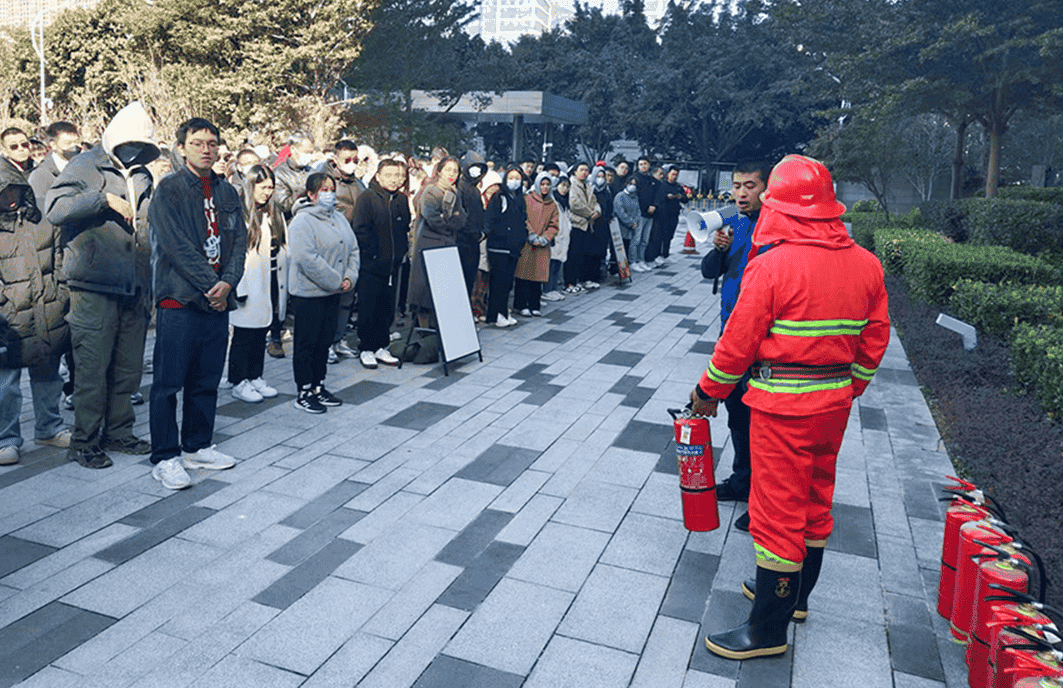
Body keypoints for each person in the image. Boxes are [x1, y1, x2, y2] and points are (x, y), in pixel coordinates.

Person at [689, 154, 889, 661]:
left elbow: (737, 344)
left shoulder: (772, 265)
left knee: (776, 513)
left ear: (778, 206)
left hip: (781, 408)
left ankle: (767, 630)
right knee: (816, 499)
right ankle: (795, 598)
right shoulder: (866, 263)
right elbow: (875, 338)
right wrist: (850, 387)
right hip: (834, 406)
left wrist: (707, 392)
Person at [46, 102, 159, 469]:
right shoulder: (85, 165)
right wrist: (102, 200)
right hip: (93, 286)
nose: (133, 150)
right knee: (92, 371)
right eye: (128, 143)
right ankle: (84, 441)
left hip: (134, 287)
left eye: (140, 145)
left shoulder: (143, 174)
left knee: (128, 370)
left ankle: (119, 432)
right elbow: (56, 208)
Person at [148, 117, 245, 490]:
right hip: (180, 298)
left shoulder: (227, 191)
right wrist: (212, 285)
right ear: (181, 148)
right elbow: (175, 246)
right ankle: (165, 456)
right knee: (168, 382)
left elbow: (239, 241)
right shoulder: (169, 189)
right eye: (198, 143)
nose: (207, 149)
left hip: (216, 301)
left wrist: (228, 282)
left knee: (206, 379)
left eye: (212, 143)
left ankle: (197, 445)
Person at [700, 162, 773, 531]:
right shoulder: (737, 224)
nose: (742, 193)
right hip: (731, 334)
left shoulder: (774, 229)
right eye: (737, 185)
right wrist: (719, 249)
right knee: (737, 414)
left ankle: (764, 502)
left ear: (767, 188)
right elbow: (708, 272)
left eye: (750, 185)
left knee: (762, 425)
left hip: (762, 343)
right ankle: (742, 481)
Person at [0, 156, 71, 465]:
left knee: (49, 376)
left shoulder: (43, 219)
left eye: (12, 189)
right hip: (8, 318)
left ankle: (49, 428)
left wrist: (60, 293)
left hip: (47, 310)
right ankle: (6, 438)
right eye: (2, 192)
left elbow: (61, 260)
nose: (9, 197)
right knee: (6, 384)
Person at [288, 172, 359, 412]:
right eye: (323, 190)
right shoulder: (302, 221)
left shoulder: (339, 218)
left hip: (334, 293)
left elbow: (353, 249)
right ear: (311, 194)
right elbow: (306, 258)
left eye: (332, 189)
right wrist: (335, 281)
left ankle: (319, 384)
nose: (329, 194)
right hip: (309, 294)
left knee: (323, 342)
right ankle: (304, 389)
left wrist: (349, 277)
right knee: (306, 343)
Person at [228, 165, 286, 403]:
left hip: (269, 278)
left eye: (271, 187)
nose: (267, 192)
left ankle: (255, 376)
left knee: (261, 330)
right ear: (251, 186)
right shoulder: (240, 212)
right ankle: (238, 380)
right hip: (247, 281)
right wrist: (237, 286)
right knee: (244, 333)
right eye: (262, 187)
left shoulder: (273, 212)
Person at [352, 159, 409, 369]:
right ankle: (366, 348)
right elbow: (360, 229)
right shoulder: (367, 198)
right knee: (369, 307)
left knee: (387, 308)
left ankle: (381, 346)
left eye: (399, 175)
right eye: (389, 175)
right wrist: (373, 256)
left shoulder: (401, 199)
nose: (394, 180)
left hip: (393, 265)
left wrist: (400, 253)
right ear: (378, 175)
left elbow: (404, 228)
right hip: (371, 265)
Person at [407, 156, 466, 326]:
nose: (452, 174)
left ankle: (438, 326)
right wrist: (450, 219)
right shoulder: (430, 191)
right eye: (448, 170)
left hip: (447, 244)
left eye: (455, 171)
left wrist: (450, 218)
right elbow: (433, 219)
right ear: (439, 171)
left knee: (442, 289)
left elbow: (462, 218)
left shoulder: (455, 193)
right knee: (424, 288)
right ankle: (423, 327)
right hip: (429, 243)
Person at [324, 139, 366, 362]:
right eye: (347, 159)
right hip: (331, 247)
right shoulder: (326, 182)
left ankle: (339, 339)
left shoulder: (358, 184)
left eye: (355, 160)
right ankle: (326, 343)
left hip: (352, 246)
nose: (352, 163)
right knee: (330, 298)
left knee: (347, 298)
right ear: (335, 159)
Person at [485, 165, 528, 327]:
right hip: (499, 247)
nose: (514, 181)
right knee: (499, 282)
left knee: (507, 282)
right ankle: (496, 314)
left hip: (513, 247)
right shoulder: (499, 197)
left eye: (517, 178)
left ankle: (503, 311)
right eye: (511, 177)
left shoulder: (519, 198)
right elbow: (491, 220)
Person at [513, 173, 559, 317]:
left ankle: (534, 304)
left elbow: (554, 225)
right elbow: (523, 218)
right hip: (527, 243)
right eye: (542, 184)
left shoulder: (552, 204)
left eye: (548, 184)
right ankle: (521, 305)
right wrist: (531, 234)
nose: (545, 187)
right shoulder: (527, 199)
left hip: (542, 246)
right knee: (523, 275)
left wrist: (545, 238)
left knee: (537, 277)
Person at [565, 162, 601, 293]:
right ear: (575, 171)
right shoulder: (572, 185)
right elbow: (574, 204)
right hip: (576, 223)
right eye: (581, 170)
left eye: (586, 170)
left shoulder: (588, 185)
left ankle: (580, 280)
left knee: (583, 254)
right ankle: (570, 282)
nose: (584, 172)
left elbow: (595, 202)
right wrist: (590, 213)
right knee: (573, 255)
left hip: (587, 225)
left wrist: (597, 211)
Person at [457, 152, 487, 295]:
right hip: (461, 241)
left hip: (473, 241)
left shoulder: (474, 190)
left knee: (469, 280)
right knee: (461, 282)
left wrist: (482, 232)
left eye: (479, 169)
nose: (476, 172)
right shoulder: (460, 188)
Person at [646, 166, 686, 266]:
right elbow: (656, 198)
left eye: (676, 175)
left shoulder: (678, 187)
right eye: (673, 174)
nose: (674, 176)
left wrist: (680, 196)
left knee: (669, 236)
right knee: (658, 236)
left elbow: (685, 199)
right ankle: (655, 256)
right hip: (661, 215)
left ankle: (665, 255)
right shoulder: (661, 185)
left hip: (673, 215)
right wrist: (666, 197)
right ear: (668, 174)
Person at [273, 131, 316, 217]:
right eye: (306, 152)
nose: (310, 156)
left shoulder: (312, 172)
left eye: (311, 153)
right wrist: (302, 192)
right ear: (293, 149)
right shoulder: (279, 173)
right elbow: (283, 205)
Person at [542, 175, 570, 301]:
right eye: (562, 185)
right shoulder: (552, 200)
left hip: (563, 237)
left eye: (567, 186)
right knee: (550, 265)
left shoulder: (565, 201)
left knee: (557, 265)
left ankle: (553, 289)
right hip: (554, 237)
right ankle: (547, 290)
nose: (564, 189)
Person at [630, 156, 658, 272]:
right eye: (641, 164)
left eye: (645, 164)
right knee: (636, 239)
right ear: (638, 166)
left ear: (649, 165)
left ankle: (641, 260)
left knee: (645, 240)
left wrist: (654, 205)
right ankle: (633, 261)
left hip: (650, 215)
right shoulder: (635, 179)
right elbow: (634, 197)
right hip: (638, 214)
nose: (643, 166)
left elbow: (656, 195)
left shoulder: (652, 180)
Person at [589, 165, 614, 285]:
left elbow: (609, 207)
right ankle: (591, 276)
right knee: (591, 252)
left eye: (602, 176)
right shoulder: (590, 190)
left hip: (604, 226)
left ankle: (599, 273)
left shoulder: (607, 191)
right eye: (598, 176)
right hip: (593, 225)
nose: (600, 179)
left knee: (601, 251)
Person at [614, 175, 640, 269]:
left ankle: (626, 267)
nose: (632, 186)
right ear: (626, 184)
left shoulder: (634, 197)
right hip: (621, 227)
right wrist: (630, 222)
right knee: (620, 249)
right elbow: (620, 212)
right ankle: (618, 269)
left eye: (635, 185)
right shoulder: (620, 196)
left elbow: (637, 210)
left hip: (632, 227)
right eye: (630, 184)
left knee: (629, 245)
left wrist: (635, 221)